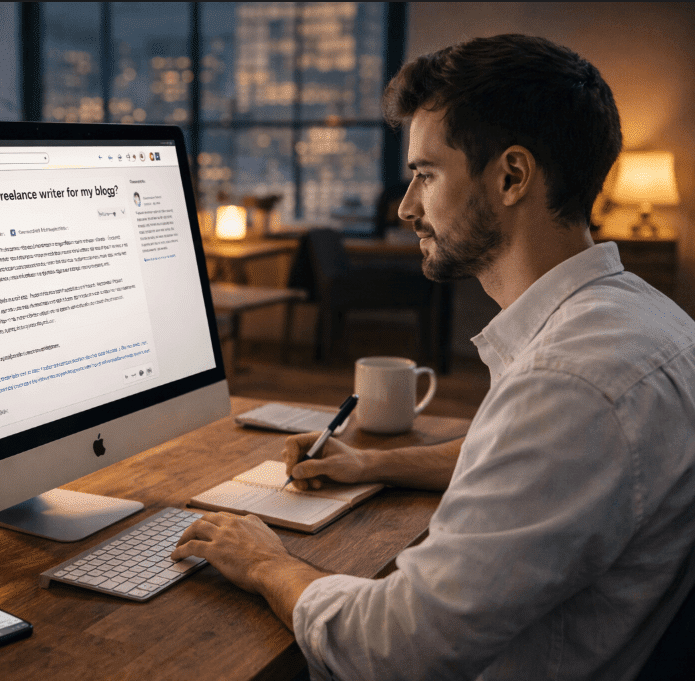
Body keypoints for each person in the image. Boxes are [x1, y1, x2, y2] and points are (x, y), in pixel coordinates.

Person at [172, 34, 695, 680]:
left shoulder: (568, 384)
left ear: (510, 176)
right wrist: (371, 462)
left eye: (424, 175)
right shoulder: (646, 319)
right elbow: (516, 457)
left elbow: (392, 648)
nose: (405, 207)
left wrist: (264, 562)